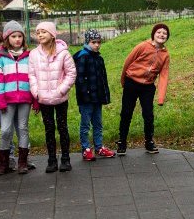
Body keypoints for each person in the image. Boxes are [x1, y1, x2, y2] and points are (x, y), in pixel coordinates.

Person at [27, 21, 75, 173]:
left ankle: (66, 159)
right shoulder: (34, 54)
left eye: (43, 32)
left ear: (52, 34)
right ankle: (52, 160)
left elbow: (71, 73)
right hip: (44, 99)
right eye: (38, 32)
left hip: (60, 98)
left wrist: (61, 90)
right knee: (49, 129)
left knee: (62, 128)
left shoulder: (63, 53)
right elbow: (32, 75)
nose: (40, 35)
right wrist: (36, 92)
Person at [117, 22, 170, 154]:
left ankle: (149, 141)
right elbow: (128, 61)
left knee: (148, 115)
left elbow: (164, 75)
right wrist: (123, 79)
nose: (161, 35)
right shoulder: (142, 46)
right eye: (159, 32)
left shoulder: (165, 55)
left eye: (164, 33)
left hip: (147, 86)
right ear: (153, 34)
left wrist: (161, 98)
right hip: (132, 82)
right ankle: (122, 141)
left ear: (167, 37)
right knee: (126, 113)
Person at [0, 21, 35, 174]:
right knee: (5, 130)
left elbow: (34, 77)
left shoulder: (29, 56)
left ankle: (22, 162)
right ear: (7, 38)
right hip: (6, 100)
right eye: (13, 36)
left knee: (23, 128)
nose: (17, 39)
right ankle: (4, 163)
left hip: (24, 98)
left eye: (20, 36)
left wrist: (35, 99)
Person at [72, 30, 113, 161]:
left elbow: (103, 79)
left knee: (98, 124)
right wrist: (86, 94)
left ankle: (99, 147)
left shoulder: (99, 58)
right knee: (85, 125)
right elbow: (79, 79)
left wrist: (105, 95)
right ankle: (86, 149)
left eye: (98, 42)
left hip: (98, 97)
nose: (96, 45)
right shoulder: (82, 57)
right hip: (86, 99)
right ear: (87, 42)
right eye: (93, 42)